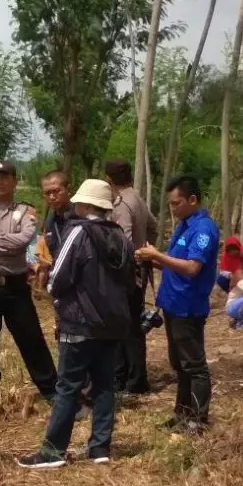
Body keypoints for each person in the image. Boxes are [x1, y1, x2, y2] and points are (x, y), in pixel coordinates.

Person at [17, 180, 134, 469]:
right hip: (113, 324)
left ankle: (52, 452)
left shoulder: (78, 231)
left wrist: (58, 298)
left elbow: (58, 278)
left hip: (80, 323)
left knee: (68, 386)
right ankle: (100, 448)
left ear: (83, 205)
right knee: (105, 385)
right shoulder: (119, 235)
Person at [0, 161, 57, 404]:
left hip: (16, 287)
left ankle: (51, 391)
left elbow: (25, 240)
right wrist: (8, 242)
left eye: (4, 177)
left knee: (32, 339)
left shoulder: (27, 210)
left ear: (15, 181)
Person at [135, 175, 219, 433]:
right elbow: (175, 263)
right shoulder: (184, 225)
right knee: (179, 364)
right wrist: (153, 259)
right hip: (172, 304)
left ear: (193, 199)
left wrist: (158, 255)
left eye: (177, 203)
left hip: (188, 307)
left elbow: (193, 268)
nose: (173, 208)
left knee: (194, 365)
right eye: (171, 204)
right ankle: (181, 413)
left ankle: (198, 419)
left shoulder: (203, 229)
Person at [105, 159, 157, 396]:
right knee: (131, 325)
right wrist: (147, 249)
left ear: (109, 179)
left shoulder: (121, 204)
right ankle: (132, 379)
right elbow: (153, 226)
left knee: (126, 327)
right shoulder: (137, 198)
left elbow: (122, 240)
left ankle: (133, 381)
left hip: (127, 272)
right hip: (140, 268)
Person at [40, 170, 73, 265]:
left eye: (56, 191)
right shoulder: (49, 222)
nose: (52, 197)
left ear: (69, 190)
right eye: (47, 193)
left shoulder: (82, 218)